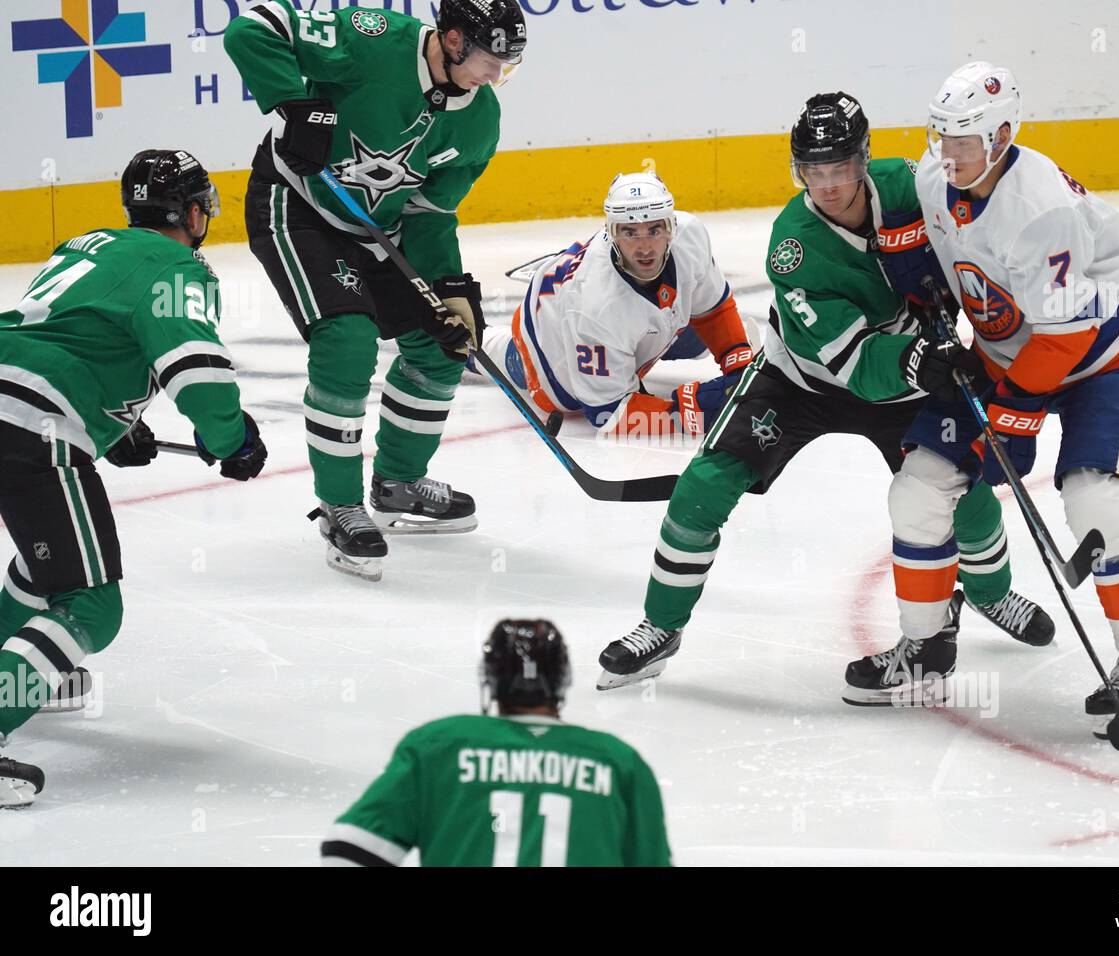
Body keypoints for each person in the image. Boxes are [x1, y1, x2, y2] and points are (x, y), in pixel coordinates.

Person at [597, 93, 1054, 697]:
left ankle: (992, 594)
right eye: (815, 171)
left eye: (840, 168)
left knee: (959, 485)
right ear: (799, 171)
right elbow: (852, 361)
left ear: (864, 160)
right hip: (803, 380)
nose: (829, 185)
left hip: (908, 371)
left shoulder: (909, 188)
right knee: (704, 483)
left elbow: (969, 238)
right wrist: (921, 359)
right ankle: (661, 626)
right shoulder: (794, 246)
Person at [882, 62, 1119, 737]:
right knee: (919, 488)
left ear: (1004, 134)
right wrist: (927, 303)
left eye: (965, 141)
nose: (948, 154)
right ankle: (926, 650)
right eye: (941, 137)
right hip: (1009, 354)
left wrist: (1009, 422)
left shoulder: (1041, 208)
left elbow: (1067, 338)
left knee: (1095, 499)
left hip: (1102, 357)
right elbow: (934, 255)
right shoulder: (938, 179)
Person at [224, 0, 528, 582]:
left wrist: (446, 288)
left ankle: (397, 484)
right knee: (347, 339)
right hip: (299, 207)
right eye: (491, 61)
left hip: (379, 233)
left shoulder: (479, 121)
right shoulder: (374, 38)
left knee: (442, 347)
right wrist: (297, 105)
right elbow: (252, 28)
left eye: (507, 66)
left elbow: (430, 213)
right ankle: (340, 503)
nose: (495, 77)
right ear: (455, 39)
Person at [0, 149, 267, 806]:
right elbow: (196, 375)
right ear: (191, 211)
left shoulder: (88, 245)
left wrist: (115, 428)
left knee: (42, 572)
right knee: (90, 602)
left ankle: (21, 669)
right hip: (35, 423)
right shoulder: (177, 266)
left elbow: (78, 335)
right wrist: (231, 439)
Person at [321, 619, 672, 866]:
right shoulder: (617, 761)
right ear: (562, 680)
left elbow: (349, 848)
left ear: (490, 680)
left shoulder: (438, 746)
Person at [473, 172, 754, 437]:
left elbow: (713, 308)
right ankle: (457, 347)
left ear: (672, 227)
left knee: (696, 339)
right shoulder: (596, 306)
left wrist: (741, 367)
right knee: (489, 352)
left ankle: (626, 350)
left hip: (611, 321)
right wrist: (689, 413)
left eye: (655, 229)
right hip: (548, 358)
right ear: (612, 233)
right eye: (630, 233)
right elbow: (609, 414)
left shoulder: (690, 234)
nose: (645, 248)